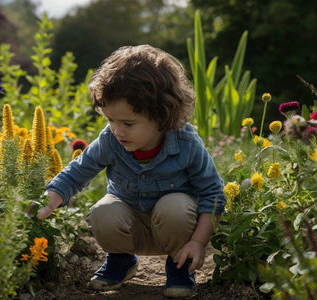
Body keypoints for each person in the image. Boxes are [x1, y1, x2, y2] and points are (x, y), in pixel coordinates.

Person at [37, 44, 225, 299]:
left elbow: (213, 194)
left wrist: (199, 243)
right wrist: (52, 197)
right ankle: (121, 261)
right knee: (103, 211)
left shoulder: (186, 144)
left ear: (161, 115)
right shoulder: (110, 140)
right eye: (110, 120)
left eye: (127, 123)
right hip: (129, 225)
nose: (117, 130)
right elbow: (78, 172)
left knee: (175, 206)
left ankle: (179, 268)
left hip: (175, 228)